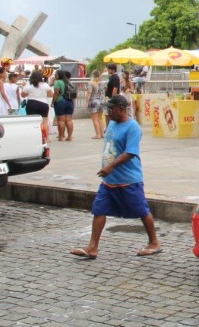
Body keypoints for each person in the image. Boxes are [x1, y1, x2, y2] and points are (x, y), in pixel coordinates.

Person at [70, 95, 161, 259]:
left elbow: (131, 152)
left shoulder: (133, 127)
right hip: (109, 180)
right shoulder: (112, 123)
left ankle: (154, 242)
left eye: (111, 109)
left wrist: (110, 166)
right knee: (99, 210)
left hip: (128, 180)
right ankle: (92, 247)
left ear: (121, 109)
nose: (108, 112)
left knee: (142, 210)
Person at [53, 70, 75, 141]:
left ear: (59, 75)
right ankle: (70, 137)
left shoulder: (57, 82)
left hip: (60, 101)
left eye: (56, 74)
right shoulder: (68, 82)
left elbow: (56, 92)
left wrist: (53, 101)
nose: (55, 76)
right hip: (70, 101)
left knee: (60, 120)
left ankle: (61, 137)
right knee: (69, 120)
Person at [88, 69, 105, 139]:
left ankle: (98, 134)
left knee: (95, 119)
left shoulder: (91, 83)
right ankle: (102, 134)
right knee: (100, 118)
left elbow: (89, 93)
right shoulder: (102, 83)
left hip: (94, 101)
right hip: (101, 101)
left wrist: (87, 101)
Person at [104, 63, 121, 129]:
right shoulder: (111, 77)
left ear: (113, 70)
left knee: (110, 113)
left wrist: (112, 99)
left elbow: (115, 88)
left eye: (109, 69)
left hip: (111, 98)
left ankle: (110, 127)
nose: (108, 70)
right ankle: (108, 127)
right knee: (107, 113)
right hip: (108, 96)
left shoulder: (115, 77)